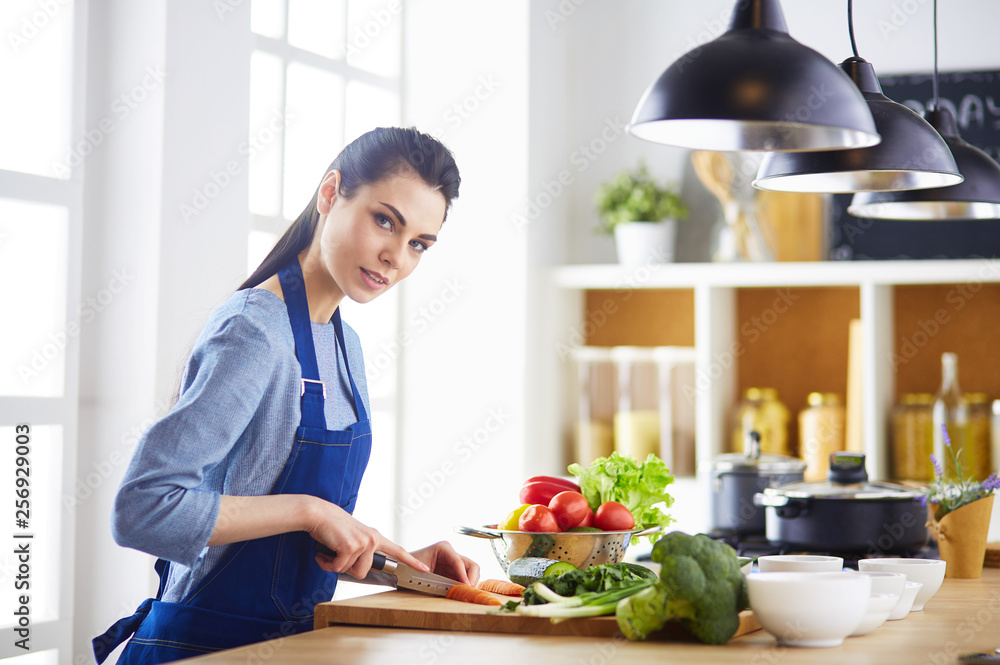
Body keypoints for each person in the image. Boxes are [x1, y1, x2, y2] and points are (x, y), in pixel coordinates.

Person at [94, 127, 479, 664]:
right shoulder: (255, 332)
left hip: (296, 648)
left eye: (418, 243)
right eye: (385, 221)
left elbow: (296, 550)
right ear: (330, 193)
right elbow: (142, 510)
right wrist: (307, 509)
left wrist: (397, 567)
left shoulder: (345, 344)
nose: (396, 257)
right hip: (204, 649)